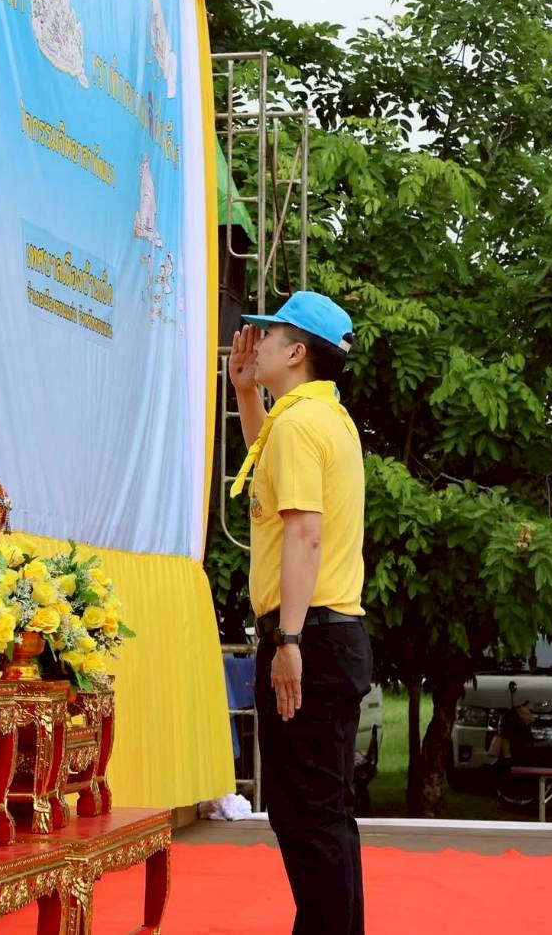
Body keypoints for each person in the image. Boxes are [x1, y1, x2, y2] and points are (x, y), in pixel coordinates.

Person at [227, 290, 372, 935]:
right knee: (324, 814)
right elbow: (272, 484)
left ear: (296, 353)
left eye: (269, 334)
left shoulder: (297, 425)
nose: (254, 343)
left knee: (308, 816)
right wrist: (246, 393)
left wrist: (287, 641)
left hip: (307, 636)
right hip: (331, 635)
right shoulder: (323, 418)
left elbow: (304, 534)